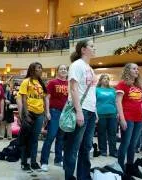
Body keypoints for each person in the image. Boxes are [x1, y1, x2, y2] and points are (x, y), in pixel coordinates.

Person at [63, 40, 97, 180]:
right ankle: (69, 176)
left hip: (90, 111)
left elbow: (91, 92)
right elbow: (74, 89)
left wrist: (95, 112)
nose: (94, 48)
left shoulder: (90, 67)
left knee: (86, 147)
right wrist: (78, 111)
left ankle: (84, 176)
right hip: (81, 109)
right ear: (83, 49)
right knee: (73, 147)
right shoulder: (76, 65)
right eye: (92, 46)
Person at [116, 63, 142, 179]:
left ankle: (129, 166)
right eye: (134, 68)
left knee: (133, 145)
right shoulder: (122, 84)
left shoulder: (138, 86)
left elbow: (140, 104)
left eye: (137, 68)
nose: (137, 70)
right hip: (128, 117)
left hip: (138, 118)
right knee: (125, 143)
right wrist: (122, 118)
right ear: (127, 70)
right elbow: (118, 102)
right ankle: (120, 169)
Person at [18, 62, 46, 171]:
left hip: (40, 113)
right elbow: (23, 98)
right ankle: (24, 162)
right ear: (33, 69)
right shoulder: (26, 81)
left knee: (35, 139)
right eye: (39, 68)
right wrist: (26, 114)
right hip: (29, 112)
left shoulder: (41, 83)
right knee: (25, 139)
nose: (41, 70)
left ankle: (34, 162)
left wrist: (44, 113)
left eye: (41, 67)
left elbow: (43, 98)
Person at [40, 64, 68, 171]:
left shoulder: (69, 83)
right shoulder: (52, 82)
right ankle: (44, 161)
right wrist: (47, 112)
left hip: (65, 113)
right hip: (54, 112)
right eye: (61, 69)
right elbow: (47, 98)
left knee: (61, 138)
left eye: (65, 69)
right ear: (57, 71)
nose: (63, 70)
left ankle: (58, 160)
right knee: (50, 137)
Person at [96, 74, 118, 158]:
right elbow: (94, 103)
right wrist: (95, 114)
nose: (106, 80)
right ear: (100, 80)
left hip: (112, 114)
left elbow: (116, 102)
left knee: (112, 133)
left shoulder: (112, 90)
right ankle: (103, 150)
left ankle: (113, 151)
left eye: (107, 79)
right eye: (104, 78)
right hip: (100, 114)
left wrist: (118, 112)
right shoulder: (96, 89)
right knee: (101, 133)